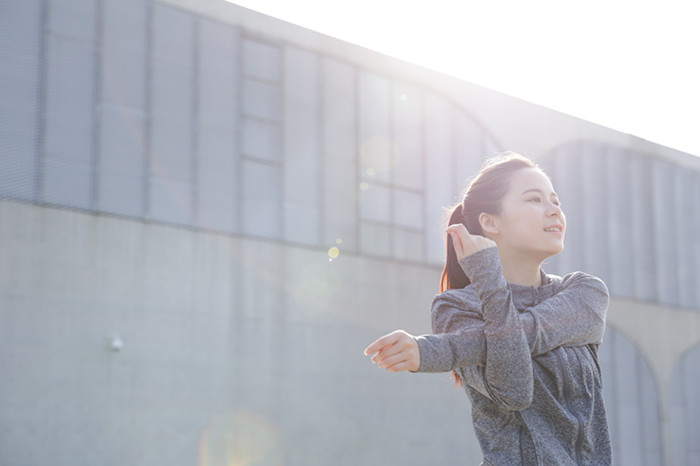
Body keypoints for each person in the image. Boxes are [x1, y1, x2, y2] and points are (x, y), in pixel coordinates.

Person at [363, 152, 611, 465]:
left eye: (556, 201)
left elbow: (526, 335)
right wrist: (489, 281)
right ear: (489, 222)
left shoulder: (584, 293)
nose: (554, 211)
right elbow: (514, 392)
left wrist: (432, 351)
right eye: (535, 200)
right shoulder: (457, 307)